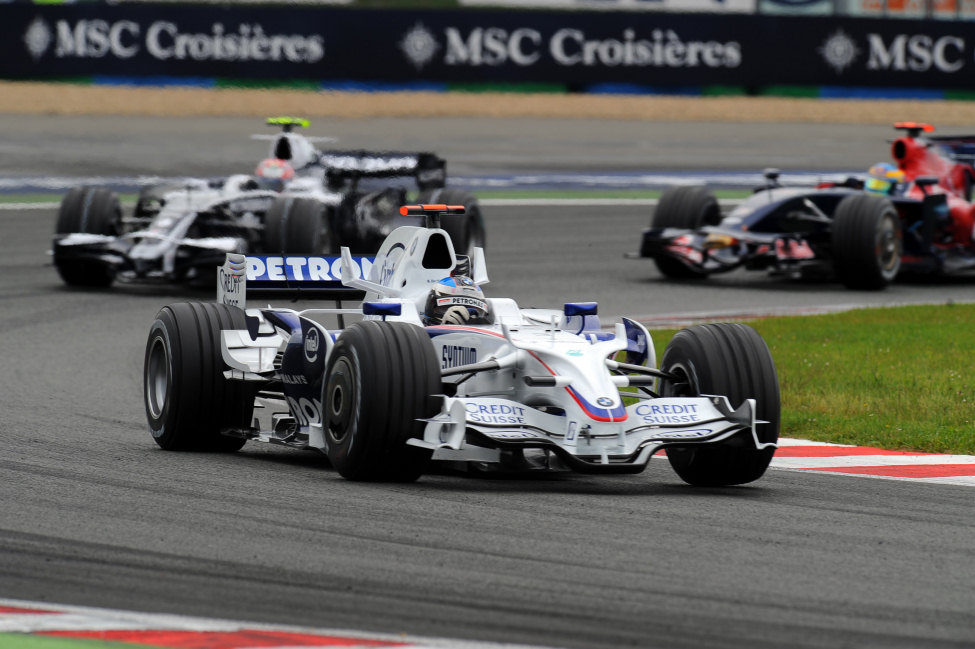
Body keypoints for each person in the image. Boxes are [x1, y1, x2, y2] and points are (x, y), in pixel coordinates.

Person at [423, 273, 491, 326]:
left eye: (470, 309)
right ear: (432, 307)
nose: (459, 315)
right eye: (446, 307)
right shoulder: (417, 338)